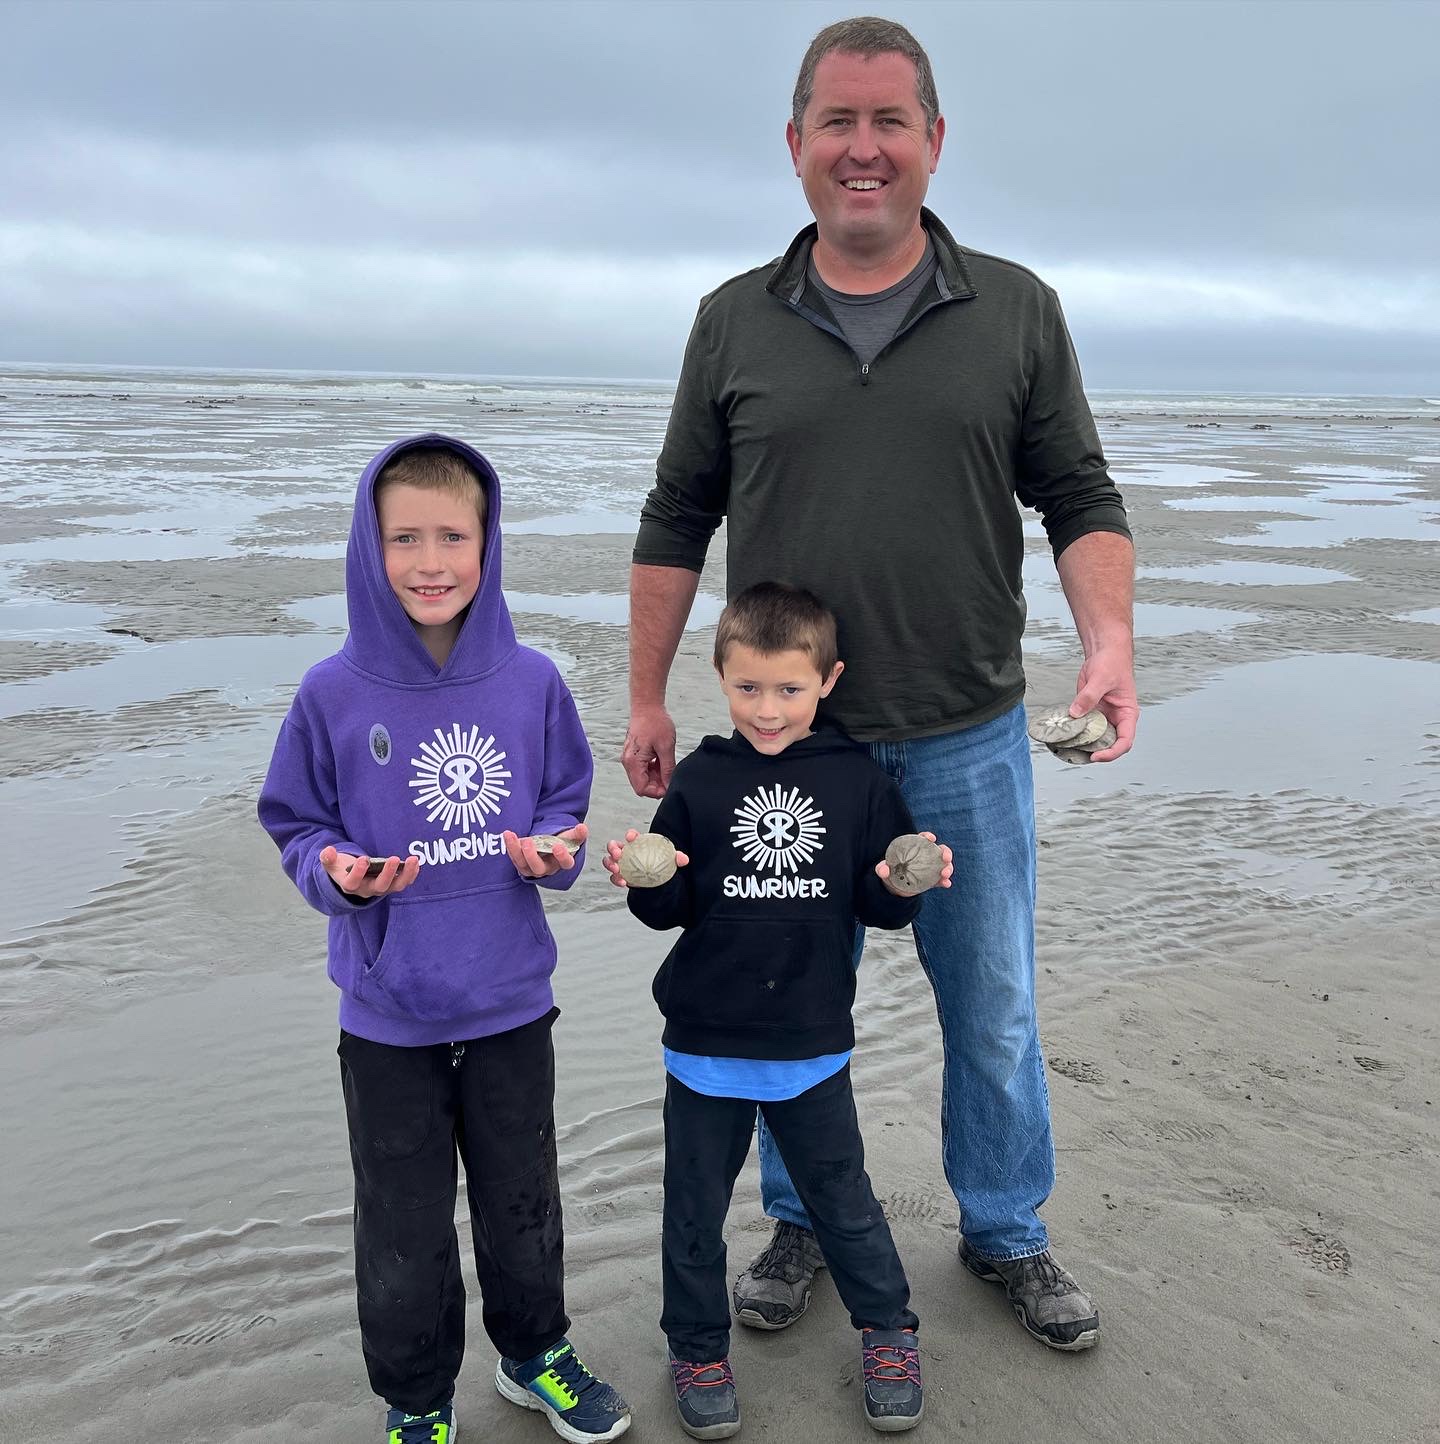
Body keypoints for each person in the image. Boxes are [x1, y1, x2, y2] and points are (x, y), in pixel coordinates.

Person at [623, 16, 1136, 1354]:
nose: (864, 148)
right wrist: (647, 697)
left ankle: (1006, 1228)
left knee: (995, 1005)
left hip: (968, 735)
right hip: (792, 747)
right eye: (837, 123)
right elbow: (676, 515)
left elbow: (1079, 492)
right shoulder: (732, 319)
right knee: (784, 994)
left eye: (889, 121)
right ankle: (800, 1219)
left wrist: (1111, 642)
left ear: (934, 140)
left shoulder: (1015, 309)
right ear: (795, 143)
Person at [258, 436, 631, 1444]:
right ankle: (418, 1398)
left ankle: (534, 1353)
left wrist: (552, 850)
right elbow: (296, 823)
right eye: (404, 538)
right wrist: (335, 871)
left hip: (510, 1000)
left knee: (524, 1198)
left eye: (453, 537)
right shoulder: (331, 692)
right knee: (402, 1223)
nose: (431, 562)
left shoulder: (534, 682)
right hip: (388, 1016)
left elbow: (563, 804)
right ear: (367, 547)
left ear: (488, 541)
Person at [605, 582, 953, 1437]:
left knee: (845, 1203)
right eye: (748, 687)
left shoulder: (857, 781)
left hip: (809, 1041)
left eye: (790, 688)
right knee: (693, 1214)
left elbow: (880, 904)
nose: (768, 709)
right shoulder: (701, 780)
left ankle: (888, 1332)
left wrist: (904, 884)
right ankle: (697, 1350)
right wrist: (645, 879)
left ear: (827, 681)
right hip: (705, 1043)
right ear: (721, 676)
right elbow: (671, 905)